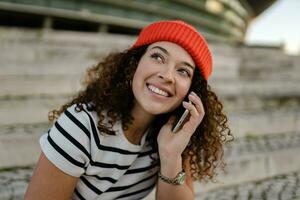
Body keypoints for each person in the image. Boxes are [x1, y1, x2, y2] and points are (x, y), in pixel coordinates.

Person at [25, 20, 232, 200]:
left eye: (183, 71)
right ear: (134, 64)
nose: (168, 76)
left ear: (190, 91)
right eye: (158, 57)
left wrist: (170, 157)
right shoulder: (82, 126)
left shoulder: (174, 135)